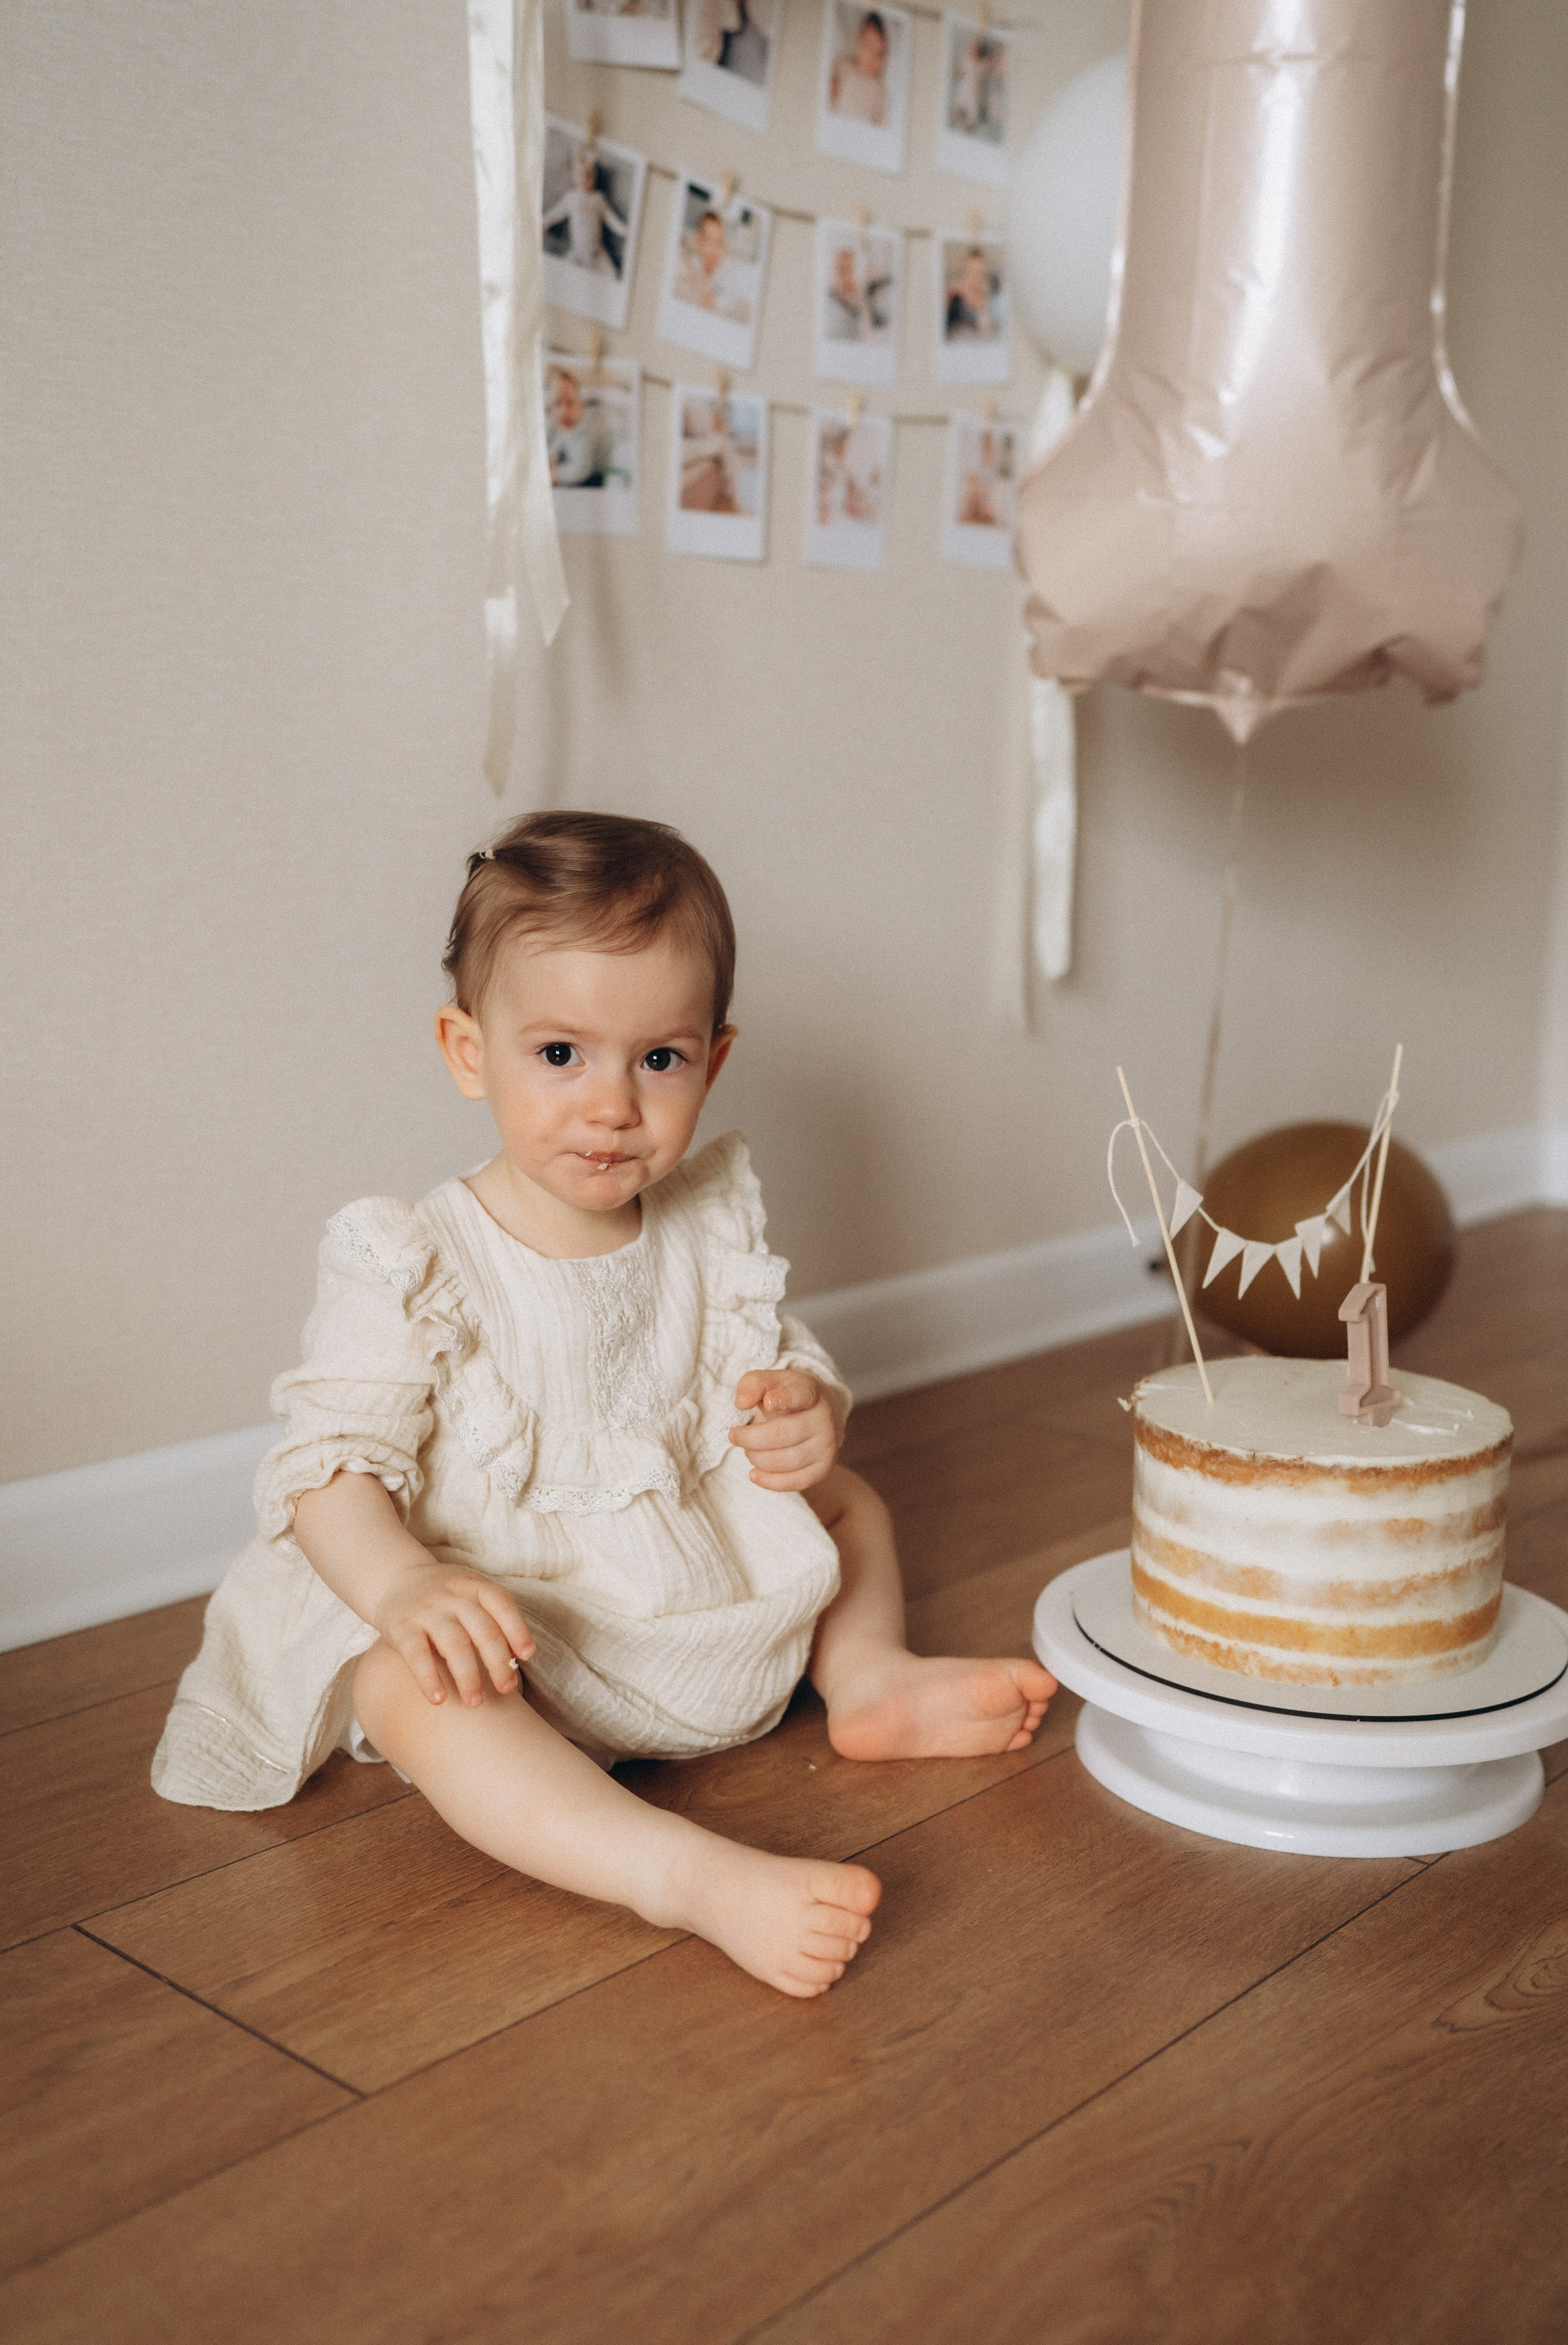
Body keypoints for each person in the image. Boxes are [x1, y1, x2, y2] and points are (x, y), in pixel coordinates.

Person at [152, 814, 1056, 1999]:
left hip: (676, 1565)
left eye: (660, 1061)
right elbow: (330, 1467)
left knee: (848, 1502)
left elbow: (776, 1350)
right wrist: (404, 1586)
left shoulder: (705, 1220)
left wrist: (805, 1409)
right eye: (562, 1055)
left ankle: (870, 1675)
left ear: (712, 1062)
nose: (614, 1106)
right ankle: (681, 1876)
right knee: (401, 1683)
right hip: (508, 1622)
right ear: (468, 1050)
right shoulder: (413, 1258)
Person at [541, 146, 627, 277]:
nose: (585, 179)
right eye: (580, 175)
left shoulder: (598, 199)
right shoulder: (571, 197)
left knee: (612, 274)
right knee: (562, 273)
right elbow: (556, 213)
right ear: (574, 177)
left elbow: (611, 219)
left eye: (589, 176)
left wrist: (625, 231)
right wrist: (544, 222)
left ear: (595, 177)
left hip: (597, 253)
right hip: (578, 254)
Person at [676, 205, 754, 325]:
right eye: (709, 241)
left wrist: (717, 301)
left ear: (725, 248)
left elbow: (734, 298)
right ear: (699, 241)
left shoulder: (729, 273)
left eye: (720, 243)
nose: (714, 249)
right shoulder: (692, 265)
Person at [830, 7, 889, 127]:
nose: (873, 56)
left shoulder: (880, 88)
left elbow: (882, 125)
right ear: (859, 42)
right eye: (869, 46)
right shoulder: (843, 67)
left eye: (880, 53)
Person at [946, 245, 1000, 340]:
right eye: (972, 271)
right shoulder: (953, 298)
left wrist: (983, 305)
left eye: (980, 272)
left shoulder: (991, 300)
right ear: (965, 272)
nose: (976, 278)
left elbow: (989, 336)